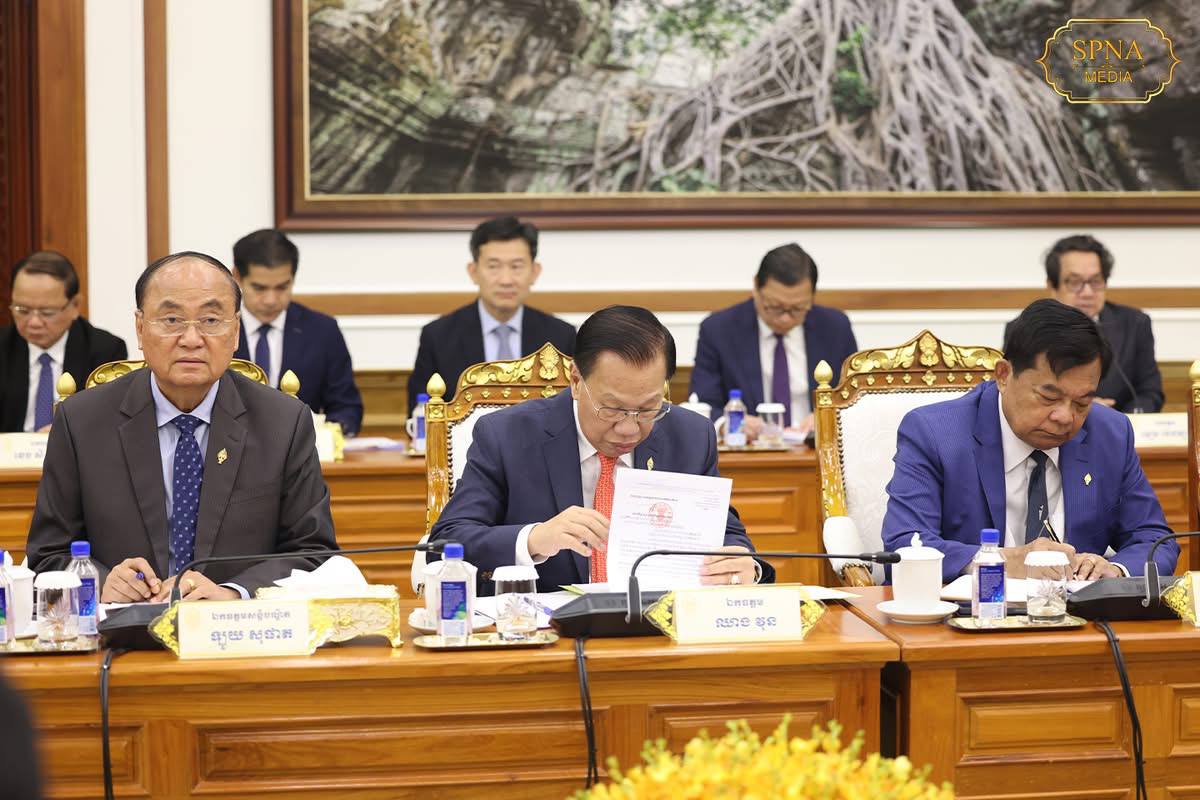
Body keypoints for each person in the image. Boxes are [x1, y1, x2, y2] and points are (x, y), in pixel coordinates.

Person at [26, 251, 337, 602]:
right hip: (122, 625)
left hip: (233, 626)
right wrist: (98, 583)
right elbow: (47, 555)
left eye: (210, 320)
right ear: (140, 328)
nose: (191, 338)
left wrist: (234, 593)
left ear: (235, 331)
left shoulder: (283, 422)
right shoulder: (82, 422)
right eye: (172, 319)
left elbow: (313, 552)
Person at [429, 305, 774, 592]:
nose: (629, 428)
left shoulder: (690, 436)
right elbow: (445, 543)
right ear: (576, 381)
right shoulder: (507, 435)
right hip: (549, 634)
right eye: (611, 409)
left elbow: (725, 533)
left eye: (647, 409)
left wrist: (743, 565)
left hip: (661, 630)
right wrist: (534, 538)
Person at [884, 298, 1177, 582]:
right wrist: (1003, 561)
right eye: (1049, 397)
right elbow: (905, 545)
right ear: (1003, 375)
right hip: (970, 612)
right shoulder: (935, 433)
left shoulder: (1110, 433)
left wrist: (1116, 571)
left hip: (1079, 614)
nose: (1065, 417)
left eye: (1082, 403)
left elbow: (1155, 539)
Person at [407, 215, 575, 414]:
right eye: (493, 266)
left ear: (534, 272)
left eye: (516, 266)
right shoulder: (438, 336)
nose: (506, 280)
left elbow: (573, 409)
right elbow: (421, 413)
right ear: (473, 271)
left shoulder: (561, 336)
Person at [689, 243, 857, 438]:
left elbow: (855, 397)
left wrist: (829, 416)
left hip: (817, 446)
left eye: (797, 309)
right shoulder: (718, 330)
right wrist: (729, 424)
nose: (785, 318)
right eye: (775, 307)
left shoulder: (835, 328)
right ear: (755, 287)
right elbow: (703, 404)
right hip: (750, 448)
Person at [1004, 234, 1163, 413]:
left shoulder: (1135, 324)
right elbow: (1016, 393)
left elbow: (1150, 393)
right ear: (1052, 286)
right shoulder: (1023, 329)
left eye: (1095, 281)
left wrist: (1115, 418)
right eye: (1074, 282)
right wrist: (1083, 408)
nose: (1087, 293)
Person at [231, 229, 364, 435]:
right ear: (237, 277)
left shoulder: (322, 331)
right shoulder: (216, 328)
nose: (271, 300)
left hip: (304, 447)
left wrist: (331, 434)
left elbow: (346, 407)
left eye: (282, 287)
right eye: (259, 288)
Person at [0, 250, 127, 432]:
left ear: (75, 306)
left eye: (47, 312)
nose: (34, 322)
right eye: (22, 310)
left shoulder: (104, 350)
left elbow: (108, 420)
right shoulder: (4, 346)